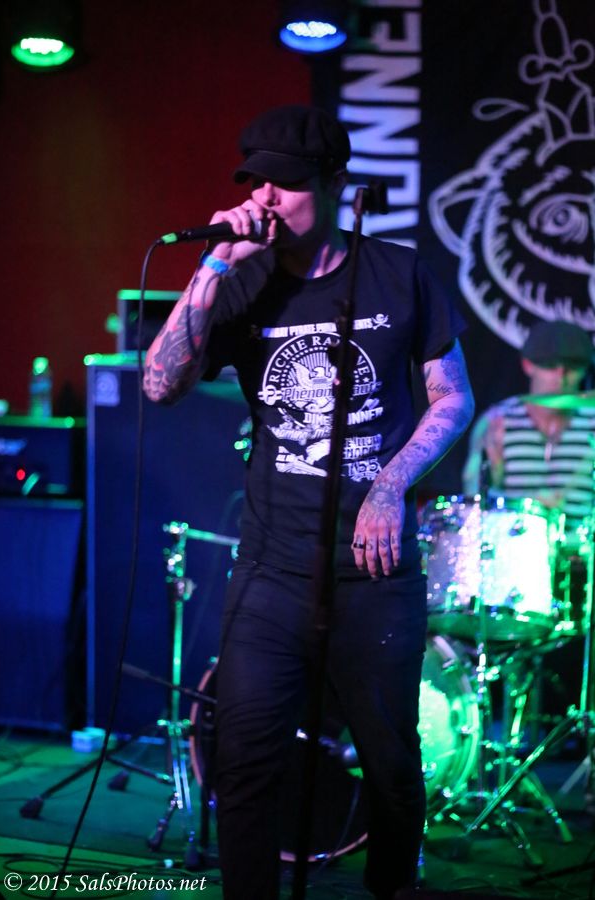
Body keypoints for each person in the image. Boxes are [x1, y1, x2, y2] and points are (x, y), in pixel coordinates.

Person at [144, 104, 475, 900]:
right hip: (271, 569)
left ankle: (390, 889)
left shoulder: (397, 274)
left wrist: (389, 485)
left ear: (333, 185)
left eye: (284, 183)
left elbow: (452, 397)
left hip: (374, 572)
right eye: (253, 180)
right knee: (245, 761)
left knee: (391, 769)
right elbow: (158, 384)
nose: (264, 196)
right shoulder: (244, 284)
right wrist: (214, 264)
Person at [462, 320, 595, 532]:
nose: (560, 377)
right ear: (528, 365)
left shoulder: (592, 422)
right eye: (550, 366)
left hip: (580, 547)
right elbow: (473, 500)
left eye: (571, 367)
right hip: (514, 544)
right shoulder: (497, 421)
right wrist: (495, 475)